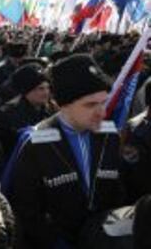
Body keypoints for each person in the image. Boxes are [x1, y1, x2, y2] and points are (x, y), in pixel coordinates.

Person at [8, 54, 125, 249]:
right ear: (64, 104)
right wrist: (54, 242)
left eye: (103, 102)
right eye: (90, 105)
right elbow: (25, 208)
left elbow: (117, 190)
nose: (102, 113)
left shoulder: (110, 134)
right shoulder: (35, 141)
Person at [0, 63, 56, 158]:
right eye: (41, 89)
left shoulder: (52, 108)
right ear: (27, 91)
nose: (46, 92)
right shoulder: (7, 113)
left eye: (47, 88)